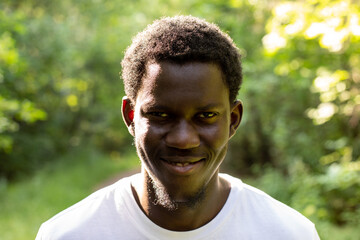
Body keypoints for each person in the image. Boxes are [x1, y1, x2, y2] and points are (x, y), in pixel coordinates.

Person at [36, 15, 320, 239]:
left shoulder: (289, 233)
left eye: (206, 116)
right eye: (160, 114)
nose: (183, 140)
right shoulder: (67, 234)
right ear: (130, 116)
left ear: (233, 120)